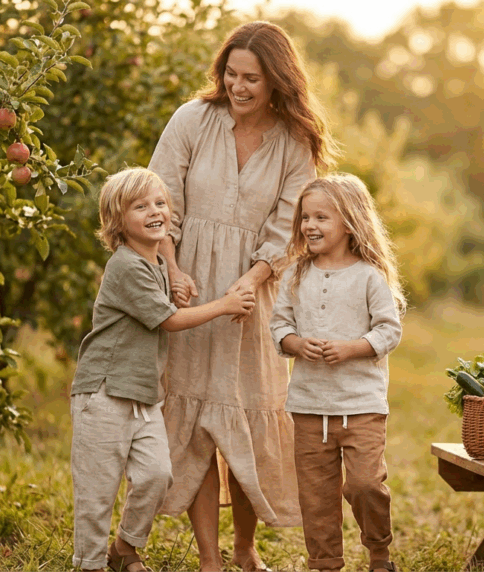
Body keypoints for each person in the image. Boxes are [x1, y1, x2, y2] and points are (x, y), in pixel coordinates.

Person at [147, 20, 339, 572]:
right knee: (197, 418)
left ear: (277, 80)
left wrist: (253, 280)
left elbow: (289, 224)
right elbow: (162, 199)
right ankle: (210, 558)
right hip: (187, 286)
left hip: (255, 293)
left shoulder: (294, 140)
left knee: (247, 416)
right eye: (231, 74)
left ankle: (245, 548)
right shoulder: (192, 119)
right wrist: (174, 270)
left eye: (251, 77)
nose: (239, 86)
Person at [70, 168, 255, 572]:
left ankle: (125, 547)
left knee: (157, 475)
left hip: (143, 394)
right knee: (97, 491)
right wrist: (224, 305)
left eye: (160, 203)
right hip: (103, 393)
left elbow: (169, 306)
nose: (155, 212)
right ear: (118, 223)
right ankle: (89, 563)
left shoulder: (154, 263)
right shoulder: (126, 266)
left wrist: (176, 279)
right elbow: (169, 321)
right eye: (140, 207)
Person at [269, 173, 405, 572]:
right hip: (309, 406)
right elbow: (279, 326)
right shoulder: (294, 275)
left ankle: (379, 553)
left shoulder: (368, 275)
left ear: (349, 222)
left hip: (361, 405)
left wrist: (351, 348)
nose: (310, 225)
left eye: (322, 217)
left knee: (365, 485)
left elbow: (389, 329)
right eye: (306, 217)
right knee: (316, 495)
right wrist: (296, 344)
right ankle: (324, 563)